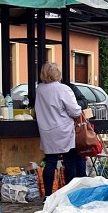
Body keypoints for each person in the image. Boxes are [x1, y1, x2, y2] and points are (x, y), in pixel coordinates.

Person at [35, 62, 83, 197]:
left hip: (46, 129)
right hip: (63, 130)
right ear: (57, 74)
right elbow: (75, 111)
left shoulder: (40, 89)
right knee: (69, 161)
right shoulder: (63, 89)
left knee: (50, 162)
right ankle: (68, 193)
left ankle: (48, 195)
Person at [68, 82, 90, 178]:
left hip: (76, 127)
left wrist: (73, 105)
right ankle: (77, 181)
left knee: (78, 154)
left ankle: (81, 179)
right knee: (72, 157)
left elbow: (84, 101)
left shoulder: (70, 87)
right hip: (66, 128)